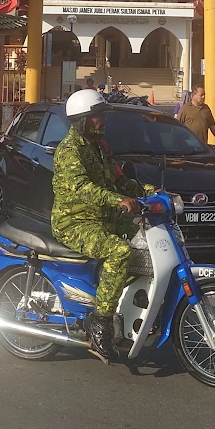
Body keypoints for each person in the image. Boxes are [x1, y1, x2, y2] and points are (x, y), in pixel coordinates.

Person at [51, 89, 151, 364]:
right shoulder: (69, 152)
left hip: (103, 216)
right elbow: (84, 189)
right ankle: (101, 321)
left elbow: (119, 180)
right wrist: (120, 200)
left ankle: (126, 301)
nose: (102, 120)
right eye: (97, 116)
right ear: (83, 120)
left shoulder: (100, 147)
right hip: (75, 222)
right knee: (119, 251)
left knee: (146, 238)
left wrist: (152, 192)